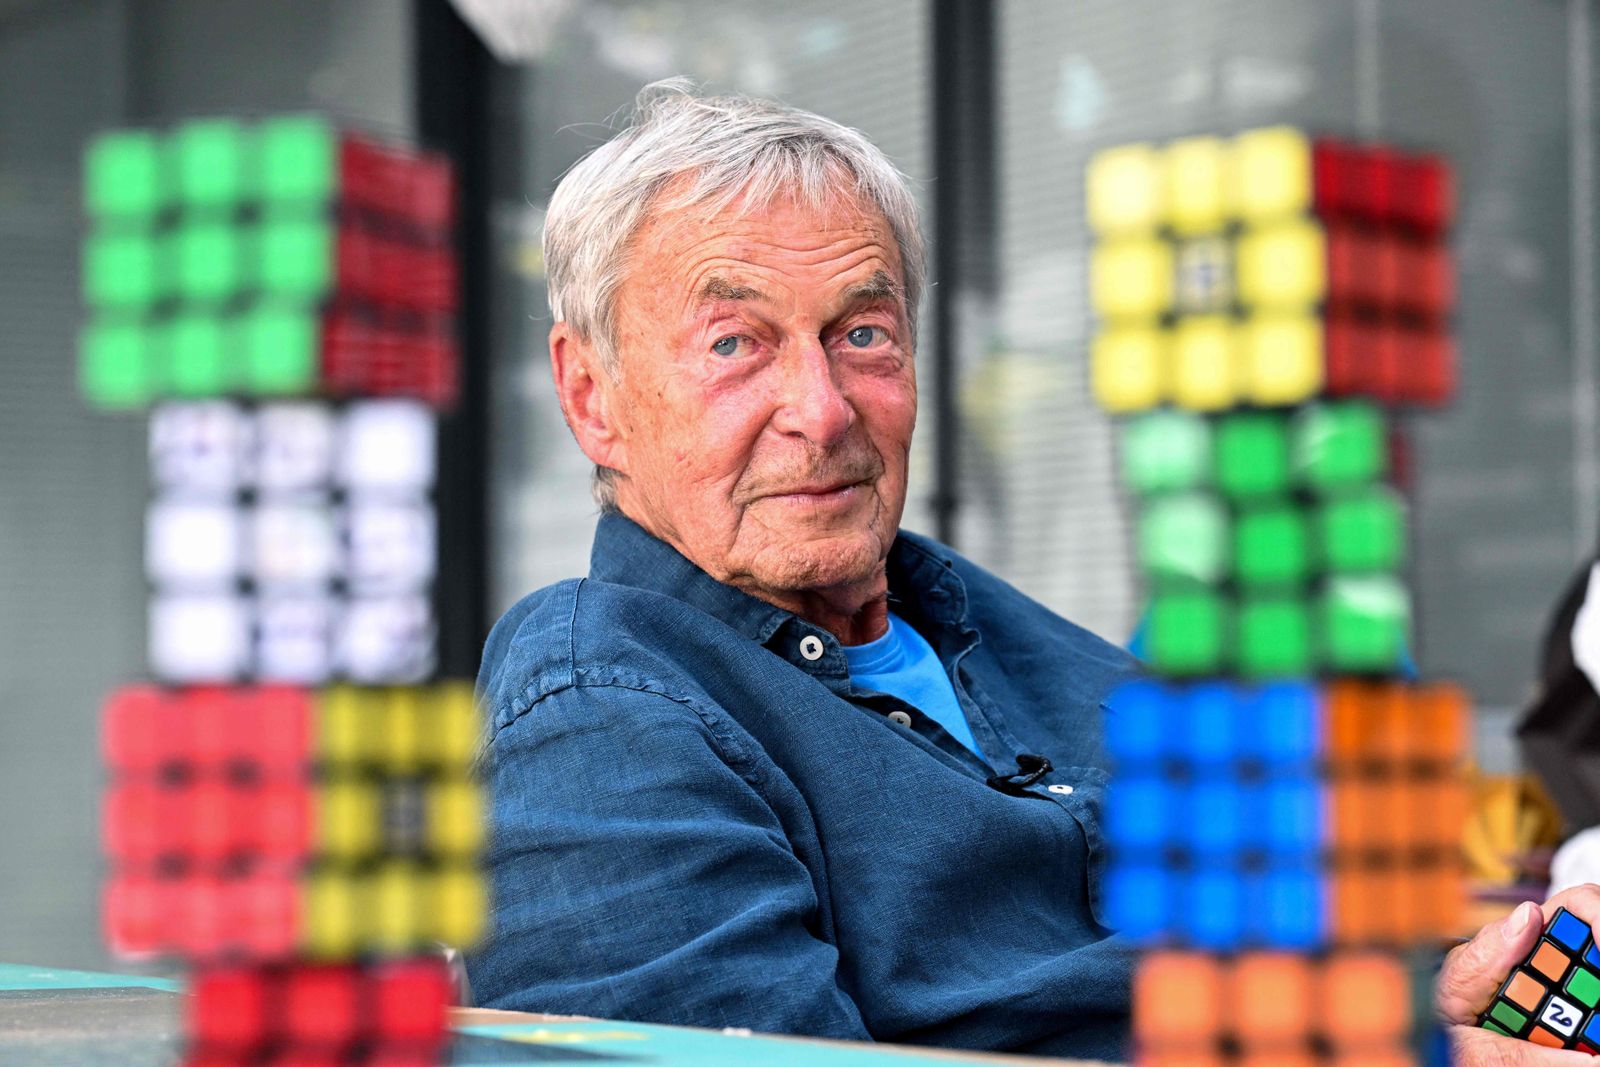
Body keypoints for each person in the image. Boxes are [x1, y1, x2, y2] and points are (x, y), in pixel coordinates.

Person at [464, 78, 1591, 1063]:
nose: (821, 411)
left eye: (863, 333)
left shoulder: (990, 627)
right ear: (590, 397)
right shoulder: (599, 705)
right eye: (733, 345)